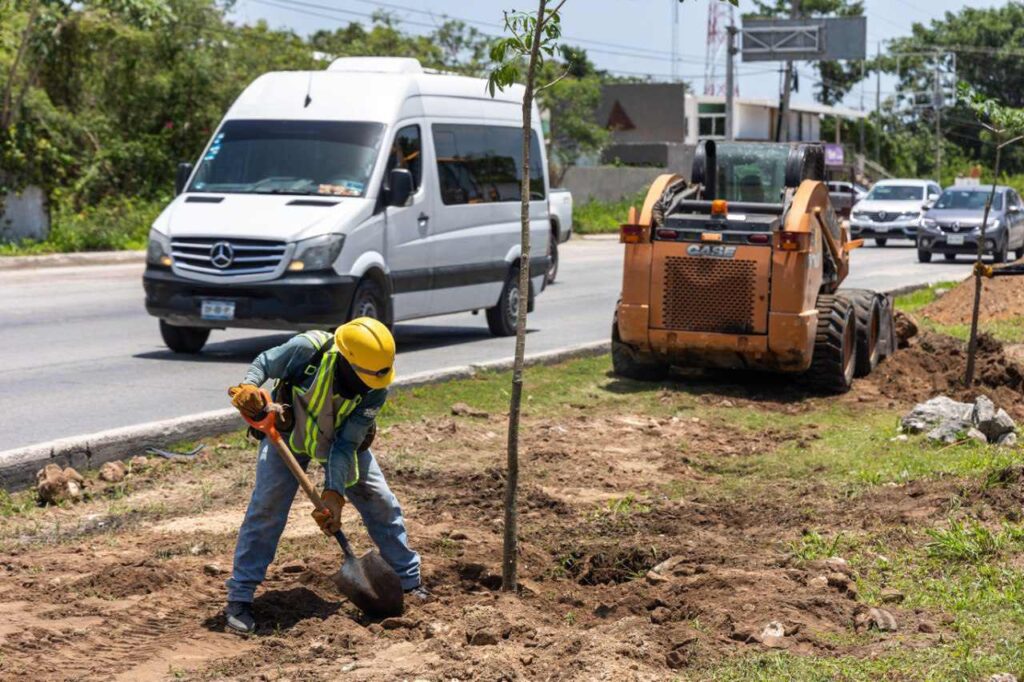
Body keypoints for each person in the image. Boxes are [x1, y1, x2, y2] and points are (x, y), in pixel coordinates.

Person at [222, 317, 426, 635]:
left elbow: (345, 444)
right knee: (267, 508)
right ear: (348, 360)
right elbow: (265, 361)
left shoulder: (375, 388)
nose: (371, 385)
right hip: (288, 435)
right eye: (366, 378)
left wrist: (334, 494)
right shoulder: (309, 350)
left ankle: (410, 582)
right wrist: (250, 385)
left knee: (380, 501)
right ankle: (239, 599)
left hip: (343, 442)